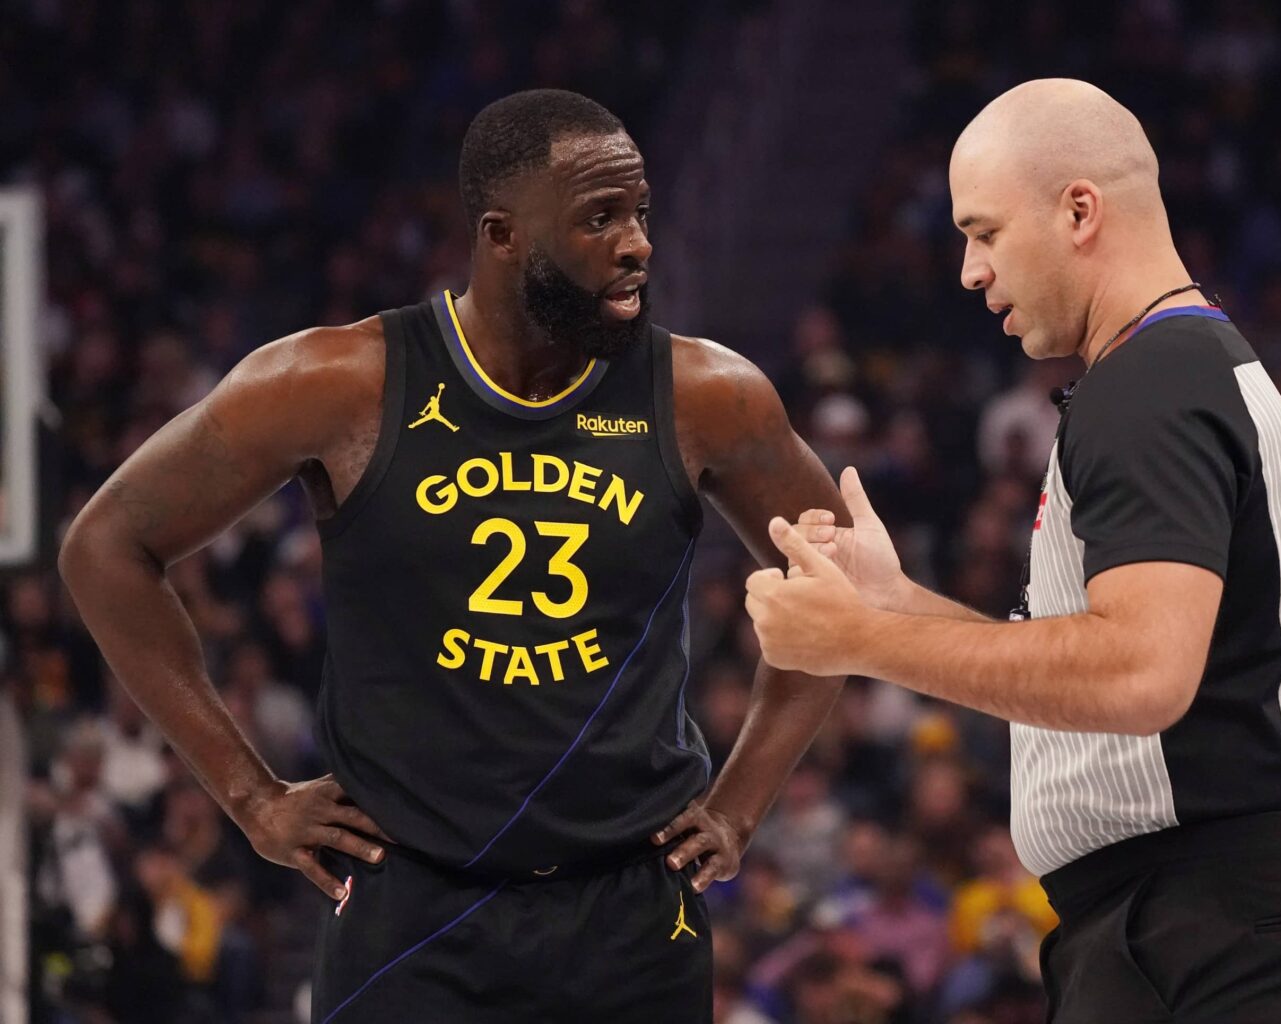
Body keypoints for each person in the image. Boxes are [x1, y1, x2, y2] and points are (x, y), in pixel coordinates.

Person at [60, 89, 849, 1023]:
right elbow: (105, 546)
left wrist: (740, 805)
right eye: (601, 218)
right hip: (412, 906)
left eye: (640, 213)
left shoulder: (709, 395)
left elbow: (841, 586)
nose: (637, 243)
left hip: (630, 911)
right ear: (501, 235)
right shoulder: (336, 382)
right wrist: (250, 796)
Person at [745, 79, 1281, 1021]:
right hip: (1213, 920)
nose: (969, 269)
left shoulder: (1147, 385)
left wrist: (857, 644)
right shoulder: (1185, 367)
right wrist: (891, 605)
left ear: (1080, 210)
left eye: (984, 232)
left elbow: (1139, 674)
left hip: (1204, 925)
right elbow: (1101, 672)